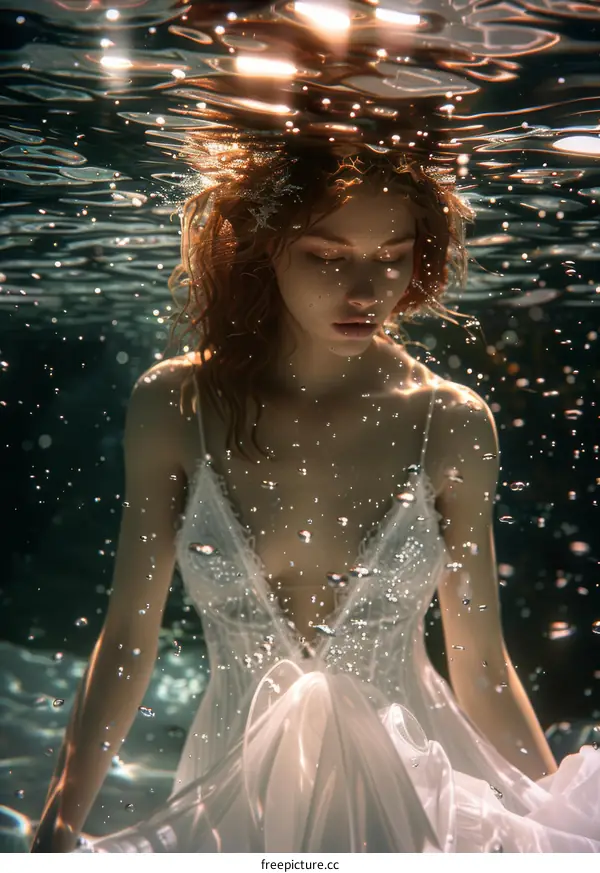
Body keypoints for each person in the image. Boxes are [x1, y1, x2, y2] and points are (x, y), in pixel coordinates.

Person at [31, 137, 600, 853]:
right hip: (234, 800)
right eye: (328, 257)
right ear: (265, 250)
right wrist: (57, 824)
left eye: (391, 256)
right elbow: (126, 639)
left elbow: (482, 666)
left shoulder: (451, 420)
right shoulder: (175, 403)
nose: (365, 290)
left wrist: (558, 831)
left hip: (417, 798)